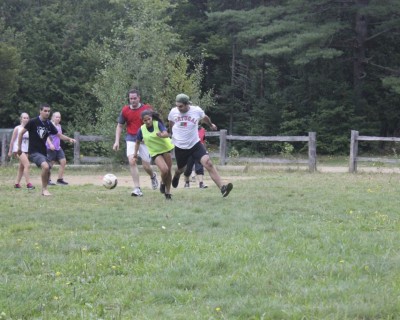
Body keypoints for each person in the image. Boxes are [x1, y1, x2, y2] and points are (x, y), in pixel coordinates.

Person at [168, 93, 233, 197]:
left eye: (181, 106)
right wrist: (172, 134)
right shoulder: (173, 112)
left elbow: (205, 117)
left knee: (208, 163)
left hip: (195, 144)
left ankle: (222, 188)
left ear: (186, 104)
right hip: (181, 146)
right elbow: (171, 124)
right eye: (177, 106)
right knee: (181, 169)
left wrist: (211, 125)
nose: (178, 108)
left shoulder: (196, 110)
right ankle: (176, 175)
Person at [17, 104, 76, 196]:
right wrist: (19, 148)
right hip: (33, 152)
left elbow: (59, 135)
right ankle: (44, 190)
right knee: (45, 166)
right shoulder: (33, 122)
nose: (47, 113)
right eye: (45, 111)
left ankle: (45, 188)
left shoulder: (49, 124)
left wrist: (69, 139)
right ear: (40, 111)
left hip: (43, 152)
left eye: (48, 111)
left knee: (48, 169)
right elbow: (21, 133)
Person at [113, 89, 159, 197]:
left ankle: (152, 176)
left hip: (145, 140)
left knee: (146, 166)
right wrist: (116, 141)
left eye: (134, 98)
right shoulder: (125, 110)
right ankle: (137, 189)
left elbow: (155, 123)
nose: (132, 100)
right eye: (130, 98)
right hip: (131, 138)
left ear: (139, 98)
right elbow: (119, 126)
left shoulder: (147, 109)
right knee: (132, 161)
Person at [133, 110, 174, 200]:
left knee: (169, 171)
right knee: (164, 170)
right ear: (142, 121)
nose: (148, 121)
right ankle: (163, 182)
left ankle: (168, 193)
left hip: (166, 148)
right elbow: (137, 142)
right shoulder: (141, 130)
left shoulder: (157, 124)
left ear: (151, 118)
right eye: (145, 120)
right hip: (155, 152)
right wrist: (135, 154)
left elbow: (166, 134)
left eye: (149, 119)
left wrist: (162, 135)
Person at [8, 112, 35, 190]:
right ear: (21, 119)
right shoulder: (17, 128)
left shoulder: (29, 129)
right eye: (24, 118)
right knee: (27, 165)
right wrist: (10, 151)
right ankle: (28, 184)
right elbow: (12, 140)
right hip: (18, 150)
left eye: (27, 118)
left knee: (21, 167)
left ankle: (17, 183)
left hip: (26, 150)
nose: (26, 119)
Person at [46, 112, 70, 185]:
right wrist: (50, 144)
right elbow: (46, 136)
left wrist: (69, 139)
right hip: (50, 147)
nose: (58, 118)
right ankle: (47, 180)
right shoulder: (49, 125)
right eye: (56, 117)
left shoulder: (59, 126)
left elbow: (60, 136)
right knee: (50, 165)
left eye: (59, 117)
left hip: (58, 147)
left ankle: (60, 179)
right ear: (53, 117)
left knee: (63, 161)